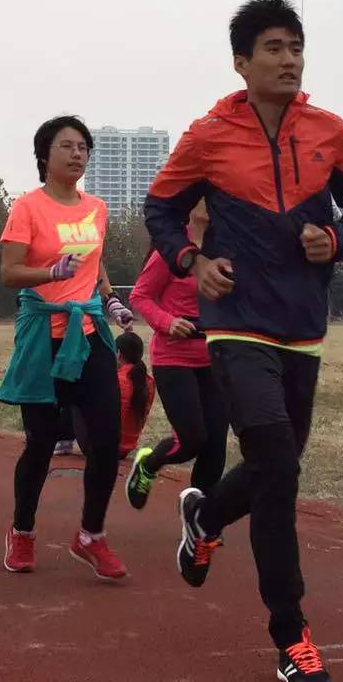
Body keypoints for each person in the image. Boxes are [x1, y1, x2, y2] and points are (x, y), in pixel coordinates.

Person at [145, 0, 343, 681]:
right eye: (274, 48)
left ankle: (206, 517)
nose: (289, 60)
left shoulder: (328, 131)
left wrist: (337, 238)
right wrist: (192, 261)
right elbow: (160, 207)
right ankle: (292, 639)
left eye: (296, 48)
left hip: (302, 327)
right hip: (235, 323)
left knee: (277, 467)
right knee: (278, 466)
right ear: (241, 62)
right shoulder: (208, 136)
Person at [0, 115, 135, 581]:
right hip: (44, 336)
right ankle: (22, 531)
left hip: (90, 334)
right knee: (40, 443)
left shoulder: (96, 208)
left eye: (83, 147)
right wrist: (50, 273)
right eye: (67, 146)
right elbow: (10, 272)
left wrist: (111, 300)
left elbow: (95, 263)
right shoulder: (27, 208)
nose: (77, 154)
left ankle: (91, 535)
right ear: (44, 155)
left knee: (107, 441)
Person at [125, 200, 230, 510]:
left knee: (215, 445)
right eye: (206, 196)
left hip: (215, 356)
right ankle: (148, 464)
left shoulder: (227, 247)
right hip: (174, 358)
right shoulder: (172, 249)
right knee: (192, 438)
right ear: (191, 203)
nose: (213, 203)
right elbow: (140, 296)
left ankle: (200, 519)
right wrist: (168, 322)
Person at [116, 331, 155, 460]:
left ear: (118, 353)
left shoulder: (118, 379)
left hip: (105, 446)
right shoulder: (147, 381)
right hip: (126, 447)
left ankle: (64, 440)